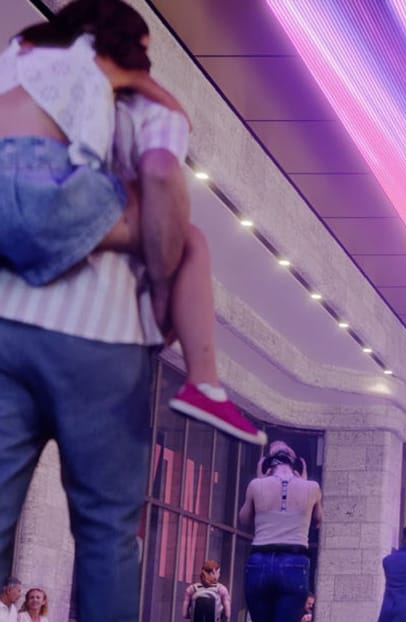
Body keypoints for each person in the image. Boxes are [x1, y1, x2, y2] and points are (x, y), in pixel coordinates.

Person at [0, 0, 186, 622]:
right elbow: (166, 209)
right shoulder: (141, 105)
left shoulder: (17, 58)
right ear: (132, 49)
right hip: (103, 337)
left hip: (6, 321)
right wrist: (165, 274)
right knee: (108, 528)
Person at [0, 1, 264, 446]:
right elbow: (174, 123)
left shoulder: (22, 51)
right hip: (40, 190)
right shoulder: (97, 60)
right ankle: (202, 381)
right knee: (188, 240)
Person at [239, 441, 322, 622]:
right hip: (294, 561)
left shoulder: (256, 486)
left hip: (259, 559)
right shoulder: (311, 486)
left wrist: (259, 480)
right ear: (297, 463)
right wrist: (304, 479)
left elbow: (244, 519)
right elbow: (318, 520)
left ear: (268, 462)